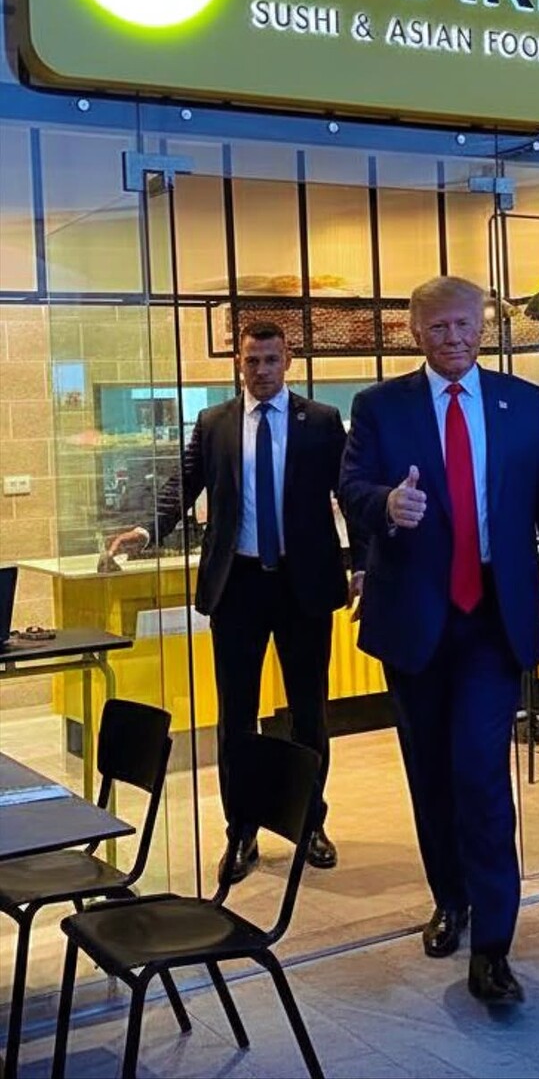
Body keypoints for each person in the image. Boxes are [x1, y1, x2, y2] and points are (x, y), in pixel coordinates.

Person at [339, 276, 539, 1005]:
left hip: (492, 620)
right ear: (415, 333)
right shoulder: (380, 406)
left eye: (465, 325)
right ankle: (450, 898)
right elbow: (350, 488)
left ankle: (494, 945)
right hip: (414, 618)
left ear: (483, 328)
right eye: (440, 327)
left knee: (480, 772)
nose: (455, 338)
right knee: (431, 773)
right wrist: (385, 504)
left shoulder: (522, 403)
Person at [109, 321, 362, 883]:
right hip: (238, 586)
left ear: (288, 359)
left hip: (303, 585)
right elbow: (182, 486)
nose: (262, 370)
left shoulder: (321, 422)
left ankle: (309, 822)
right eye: (252, 361)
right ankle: (241, 830)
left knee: (308, 712)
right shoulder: (215, 423)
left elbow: (350, 493)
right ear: (239, 364)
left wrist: (364, 562)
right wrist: (147, 531)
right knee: (237, 717)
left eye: (271, 359)